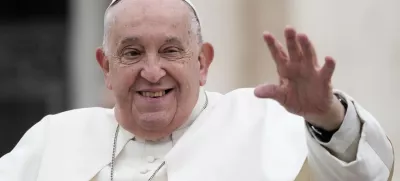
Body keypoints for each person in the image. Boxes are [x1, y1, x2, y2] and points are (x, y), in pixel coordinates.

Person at [0, 0, 394, 180]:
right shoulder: (53, 139)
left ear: (202, 62)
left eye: (171, 50)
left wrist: (325, 116)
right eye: (132, 53)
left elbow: (365, 175)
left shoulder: (263, 121)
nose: (151, 72)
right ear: (106, 67)